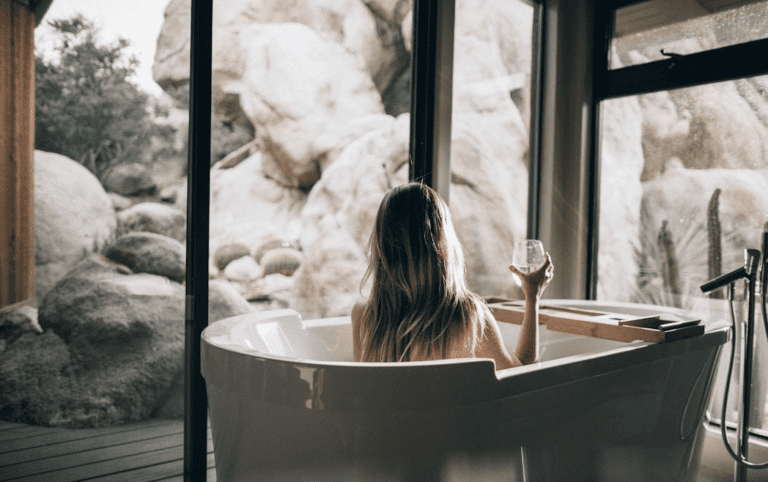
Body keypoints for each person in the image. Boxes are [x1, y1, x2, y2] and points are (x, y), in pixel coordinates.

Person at [351, 182, 554, 370]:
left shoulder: (364, 316)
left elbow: (365, 391)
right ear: (443, 243)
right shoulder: (469, 316)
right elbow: (521, 380)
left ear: (382, 246)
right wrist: (532, 296)